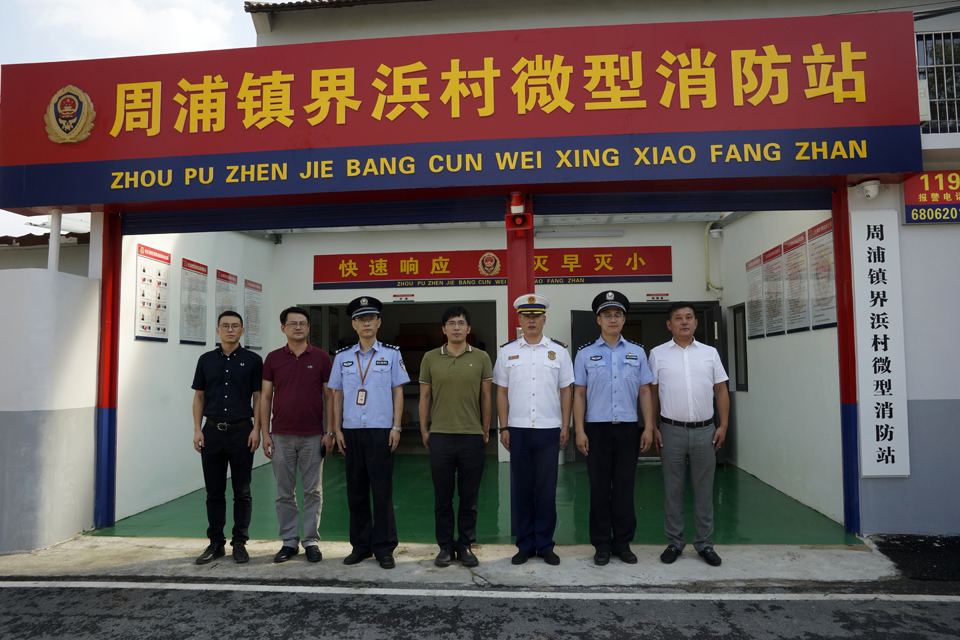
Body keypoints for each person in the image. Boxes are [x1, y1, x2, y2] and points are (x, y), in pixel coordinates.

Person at [573, 291, 656, 566]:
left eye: (617, 315)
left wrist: (648, 427)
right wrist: (579, 431)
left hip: (628, 429)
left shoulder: (637, 352)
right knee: (598, 489)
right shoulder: (585, 354)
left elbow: (645, 392)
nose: (612, 319)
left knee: (624, 488)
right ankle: (601, 545)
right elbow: (579, 394)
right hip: (596, 430)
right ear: (598, 320)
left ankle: (622, 542)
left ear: (623, 320)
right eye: (607, 315)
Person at [493, 293, 574, 566]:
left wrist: (565, 425)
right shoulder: (507, 351)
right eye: (526, 316)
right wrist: (503, 426)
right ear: (519, 319)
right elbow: (501, 392)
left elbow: (566, 390)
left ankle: (546, 545)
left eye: (536, 316)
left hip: (549, 429)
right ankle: (525, 545)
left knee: (547, 490)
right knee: (523, 490)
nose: (531, 320)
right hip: (517, 430)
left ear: (544, 319)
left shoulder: (559, 351)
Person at [329, 296, 409, 569]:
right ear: (354, 324)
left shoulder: (392, 354)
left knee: (382, 491)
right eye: (361, 319)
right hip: (352, 431)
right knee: (356, 492)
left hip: (380, 431)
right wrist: (337, 429)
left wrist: (396, 426)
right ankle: (361, 546)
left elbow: (397, 392)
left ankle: (384, 548)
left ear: (378, 323)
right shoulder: (342, 357)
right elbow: (337, 395)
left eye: (371, 319)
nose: (366, 323)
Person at [649, 302, 730, 567]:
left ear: (696, 323)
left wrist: (723, 425)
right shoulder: (657, 354)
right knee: (673, 490)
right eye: (678, 318)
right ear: (669, 324)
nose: (684, 322)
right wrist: (652, 426)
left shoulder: (710, 353)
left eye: (689, 318)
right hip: (670, 430)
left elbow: (721, 390)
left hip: (705, 431)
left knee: (704, 491)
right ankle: (675, 542)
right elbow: (651, 393)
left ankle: (705, 544)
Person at [418, 306, 493, 568]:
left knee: (469, 497)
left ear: (468, 328)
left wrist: (485, 429)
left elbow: (487, 395)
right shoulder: (430, 358)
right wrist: (424, 430)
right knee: (443, 497)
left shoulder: (482, 357)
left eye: (461, 323)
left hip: (472, 436)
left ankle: (465, 545)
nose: (457, 327)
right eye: (451, 323)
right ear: (444, 329)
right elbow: (425, 396)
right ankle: (445, 547)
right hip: (441, 436)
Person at [260, 306, 334, 564]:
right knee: (284, 492)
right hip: (280, 436)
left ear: (308, 327)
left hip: (313, 436)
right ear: (283, 328)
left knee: (313, 491)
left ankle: (311, 540)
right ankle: (289, 541)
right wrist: (265, 433)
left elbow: (330, 396)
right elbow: (265, 397)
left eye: (302, 323)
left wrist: (329, 431)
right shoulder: (273, 359)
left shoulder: (322, 358)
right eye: (293, 323)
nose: (298, 327)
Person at [191, 311, 263, 565]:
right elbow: (199, 396)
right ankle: (216, 543)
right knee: (214, 492)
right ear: (218, 330)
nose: (230, 330)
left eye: (235, 326)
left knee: (242, 491)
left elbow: (259, 397)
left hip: (242, 432)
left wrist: (257, 429)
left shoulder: (253, 360)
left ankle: (240, 543)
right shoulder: (206, 360)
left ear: (242, 331)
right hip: (211, 432)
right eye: (225, 326)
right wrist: (197, 429)